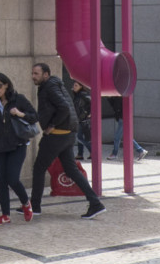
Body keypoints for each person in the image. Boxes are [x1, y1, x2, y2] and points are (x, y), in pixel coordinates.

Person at [29, 62, 106, 218]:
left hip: (57, 134)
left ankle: (35, 207)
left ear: (46, 74)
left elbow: (63, 107)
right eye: (32, 73)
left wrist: (52, 125)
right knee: (71, 170)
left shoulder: (49, 87)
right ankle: (95, 203)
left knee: (39, 168)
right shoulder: (54, 85)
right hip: (68, 134)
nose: (33, 76)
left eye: (36, 73)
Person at [0, 74, 37, 225]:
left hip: (17, 145)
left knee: (12, 179)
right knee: (1, 181)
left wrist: (19, 114)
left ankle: (26, 203)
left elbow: (34, 116)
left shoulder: (18, 99)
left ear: (6, 85)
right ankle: (5, 214)